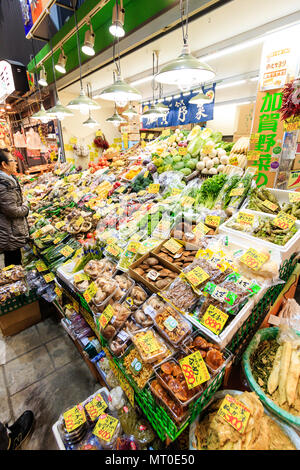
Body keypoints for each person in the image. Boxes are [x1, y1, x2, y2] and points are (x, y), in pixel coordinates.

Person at [0, 149, 29, 266]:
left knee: (13, 261)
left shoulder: (7, 180)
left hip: (10, 231)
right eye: (12, 160)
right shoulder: (3, 184)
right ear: (4, 164)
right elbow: (13, 211)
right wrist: (26, 207)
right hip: (10, 234)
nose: (16, 163)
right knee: (14, 264)